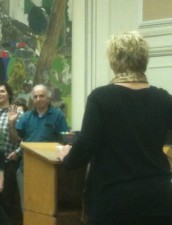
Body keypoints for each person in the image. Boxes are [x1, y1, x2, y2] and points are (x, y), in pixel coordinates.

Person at [59, 31, 172, 225]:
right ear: (144, 60)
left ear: (114, 61)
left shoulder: (101, 98)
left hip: (114, 200)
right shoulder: (164, 98)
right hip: (160, 198)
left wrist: (67, 156)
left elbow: (86, 146)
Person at [15, 84, 69, 209]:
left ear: (48, 98)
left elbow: (66, 140)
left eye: (42, 96)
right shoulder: (26, 116)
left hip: (48, 168)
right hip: (26, 168)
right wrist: (12, 123)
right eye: (35, 96)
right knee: (27, 207)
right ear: (32, 99)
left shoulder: (58, 115)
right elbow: (16, 139)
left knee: (45, 207)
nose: (38, 99)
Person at [0, 82, 22, 225]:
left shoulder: (19, 113)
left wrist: (17, 152)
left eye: (2, 91)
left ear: (9, 94)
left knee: (7, 199)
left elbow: (24, 139)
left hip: (10, 161)